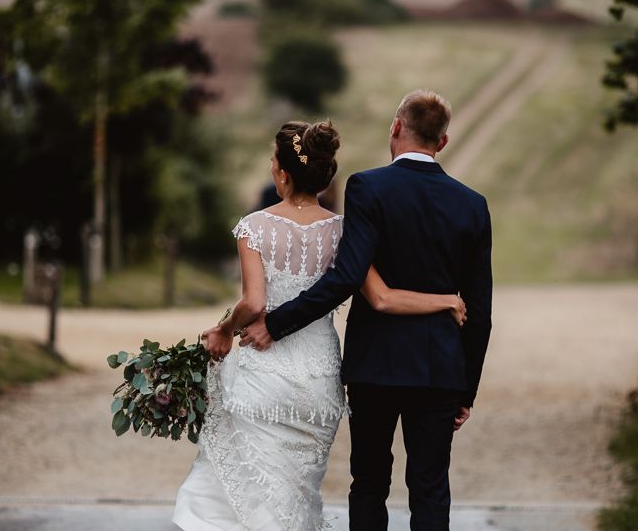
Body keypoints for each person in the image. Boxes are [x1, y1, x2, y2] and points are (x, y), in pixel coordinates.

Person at [173, 118, 468, 531]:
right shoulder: (344, 233)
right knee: (297, 490)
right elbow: (381, 297)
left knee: (250, 486)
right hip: (318, 380)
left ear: (282, 171)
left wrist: (224, 329)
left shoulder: (254, 227)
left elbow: (254, 302)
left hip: (266, 371)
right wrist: (444, 300)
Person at [242, 91, 493, 531]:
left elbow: (345, 277)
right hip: (438, 371)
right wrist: (465, 390)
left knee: (370, 483)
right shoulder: (472, 205)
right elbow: (481, 311)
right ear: (444, 141)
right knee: (431, 488)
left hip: (374, 365)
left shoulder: (368, 187)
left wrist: (276, 324)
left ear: (396, 127)